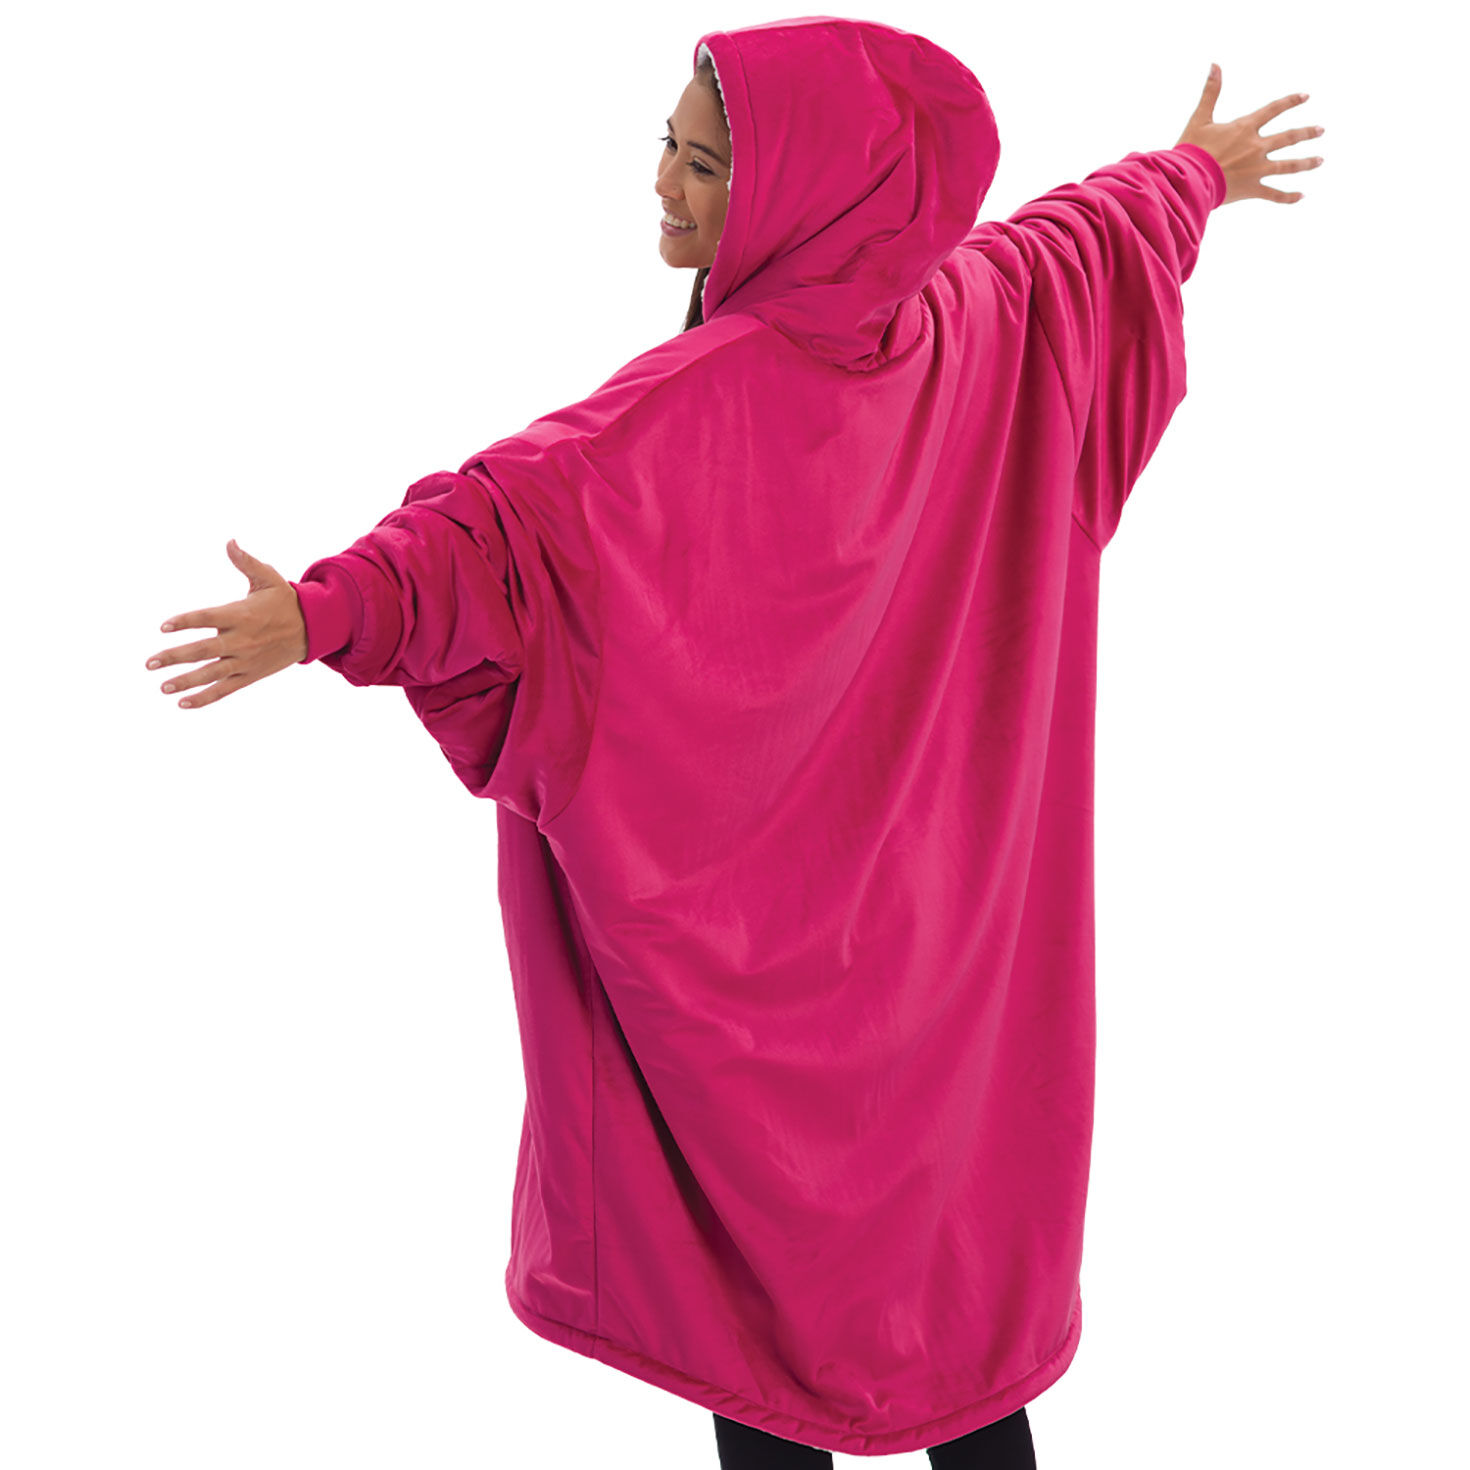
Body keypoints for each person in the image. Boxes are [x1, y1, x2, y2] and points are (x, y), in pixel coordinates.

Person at [143, 18, 1322, 1464]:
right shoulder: (989, 325)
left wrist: (328, 614)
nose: (663, 186)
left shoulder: (680, 417)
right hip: (956, 983)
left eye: (706, 165)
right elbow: (1080, 241)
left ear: (809, 195)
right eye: (670, 148)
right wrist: (1189, 174)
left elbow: (502, 533)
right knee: (959, 1307)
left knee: (752, 1305)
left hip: (763, 1017)